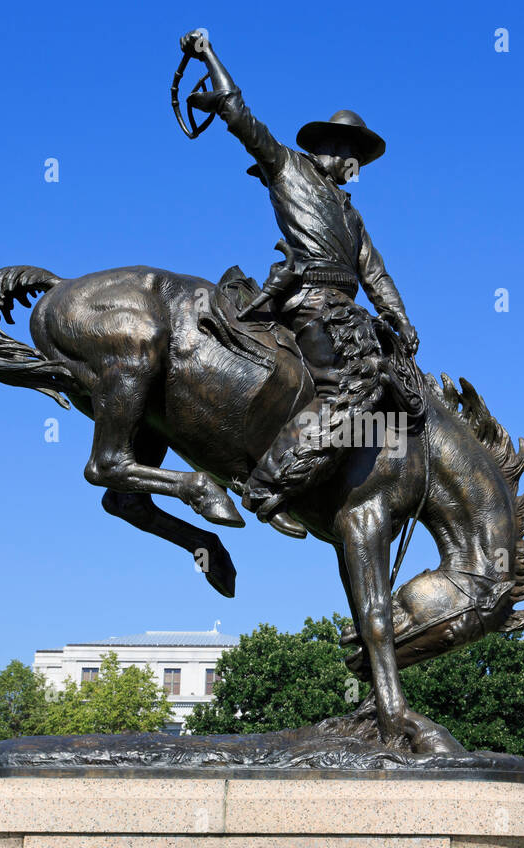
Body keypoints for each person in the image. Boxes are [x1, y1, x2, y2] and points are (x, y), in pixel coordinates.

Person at [179, 30, 418, 536]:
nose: (356, 168)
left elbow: (375, 272)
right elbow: (238, 113)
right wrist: (210, 55)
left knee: (398, 389)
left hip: (348, 312)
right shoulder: (287, 167)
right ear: (335, 148)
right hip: (312, 303)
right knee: (347, 388)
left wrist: (399, 316)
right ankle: (267, 486)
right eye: (354, 155)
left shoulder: (351, 215)